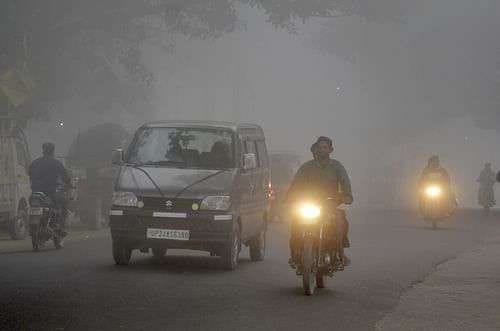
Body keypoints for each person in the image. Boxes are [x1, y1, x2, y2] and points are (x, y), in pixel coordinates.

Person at [287, 136, 353, 268]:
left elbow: (345, 182)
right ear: (315, 149)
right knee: (295, 222)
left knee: (341, 221)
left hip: (330, 204)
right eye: (319, 147)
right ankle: (295, 254)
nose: (322, 150)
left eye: (325, 147)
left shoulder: (337, 166)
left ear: (330, 150)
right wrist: (290, 196)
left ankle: (340, 253)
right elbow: (296, 184)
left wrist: (347, 195)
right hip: (309, 204)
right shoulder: (307, 167)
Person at [29, 143, 71, 232]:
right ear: (53, 151)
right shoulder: (56, 163)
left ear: (43, 150)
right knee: (63, 204)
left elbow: (29, 173)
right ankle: (59, 227)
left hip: (35, 192)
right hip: (50, 191)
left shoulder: (35, 162)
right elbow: (65, 177)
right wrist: (68, 184)